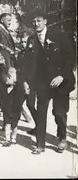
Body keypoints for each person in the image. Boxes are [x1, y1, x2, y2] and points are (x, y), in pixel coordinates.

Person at [26, 10, 75, 155]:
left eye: (39, 20)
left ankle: (62, 138)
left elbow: (70, 58)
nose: (36, 24)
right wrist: (28, 82)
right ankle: (40, 144)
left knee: (59, 113)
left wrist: (62, 76)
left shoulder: (59, 35)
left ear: (45, 21)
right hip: (42, 83)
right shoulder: (31, 40)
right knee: (41, 112)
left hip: (61, 81)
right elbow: (29, 64)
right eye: (34, 21)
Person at [0, 67, 30, 147]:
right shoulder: (4, 86)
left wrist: (25, 90)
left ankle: (13, 138)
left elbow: (23, 96)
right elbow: (1, 96)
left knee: (15, 125)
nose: (9, 78)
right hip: (7, 108)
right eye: (8, 76)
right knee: (7, 124)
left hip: (16, 108)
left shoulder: (19, 87)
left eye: (12, 75)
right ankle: (7, 139)